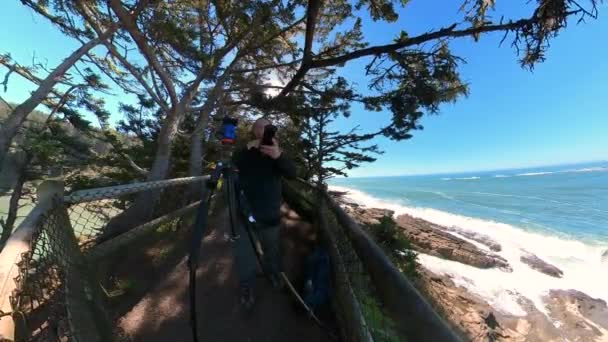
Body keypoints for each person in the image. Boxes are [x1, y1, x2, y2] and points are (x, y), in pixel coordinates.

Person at [232, 117, 296, 310]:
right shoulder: (243, 153)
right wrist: (245, 152)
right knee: (244, 254)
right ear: (254, 130)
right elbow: (232, 172)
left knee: (272, 251)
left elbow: (292, 173)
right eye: (259, 127)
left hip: (270, 215)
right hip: (245, 214)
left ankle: (274, 275)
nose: (263, 131)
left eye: (267, 127)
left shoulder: (278, 153)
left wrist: (278, 156)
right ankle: (247, 288)